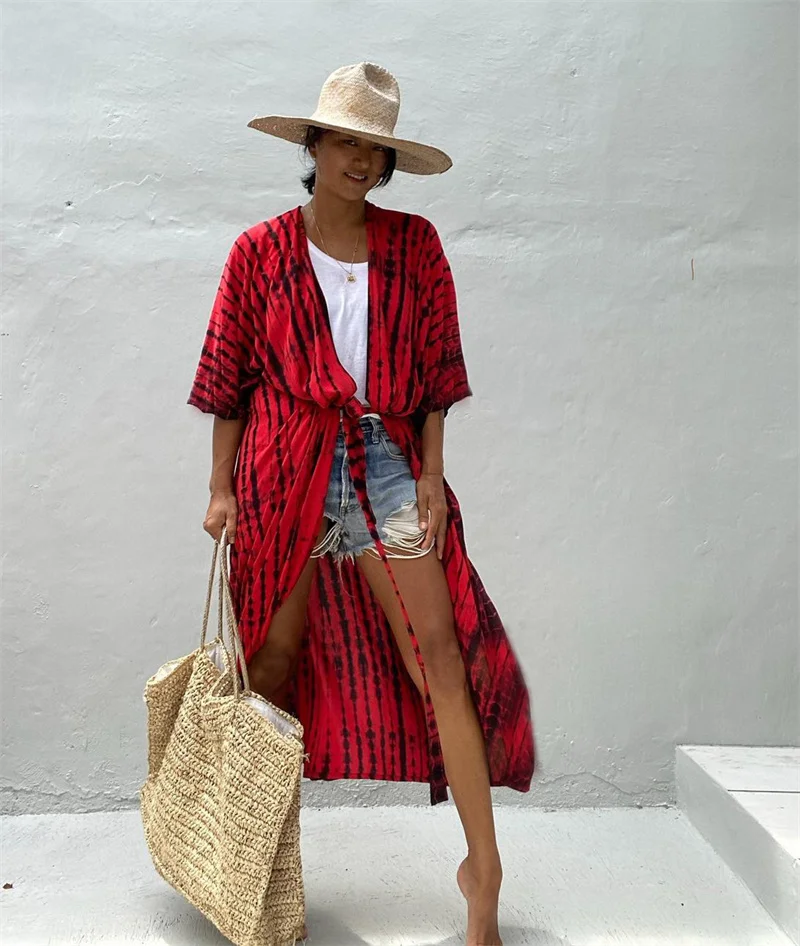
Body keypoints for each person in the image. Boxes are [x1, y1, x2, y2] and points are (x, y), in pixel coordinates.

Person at [187, 62, 535, 946]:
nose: (360, 159)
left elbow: (438, 373)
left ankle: (484, 874)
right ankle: (253, 873)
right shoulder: (259, 252)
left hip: (384, 467)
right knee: (272, 667)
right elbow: (228, 377)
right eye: (344, 140)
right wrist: (222, 488)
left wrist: (431, 475)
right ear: (313, 144)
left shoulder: (416, 246)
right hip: (284, 465)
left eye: (375, 148)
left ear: (388, 163)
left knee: (439, 656)